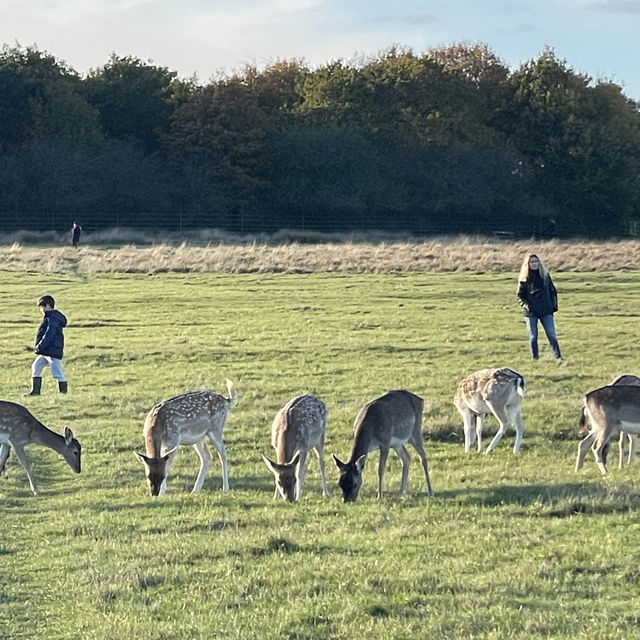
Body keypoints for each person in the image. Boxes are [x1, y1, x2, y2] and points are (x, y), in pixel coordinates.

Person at [517, 253, 563, 360]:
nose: (534, 264)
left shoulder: (545, 276)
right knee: (533, 337)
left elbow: (553, 291)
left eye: (536, 261)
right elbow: (519, 296)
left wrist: (553, 306)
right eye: (532, 262)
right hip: (531, 312)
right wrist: (526, 306)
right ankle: (535, 358)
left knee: (551, 335)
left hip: (546, 310)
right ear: (527, 264)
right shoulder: (524, 279)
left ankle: (558, 357)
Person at [26, 295, 68, 395]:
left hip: (52, 351)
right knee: (36, 366)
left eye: (42, 307)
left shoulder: (52, 318)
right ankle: (35, 392)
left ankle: (63, 393)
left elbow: (49, 334)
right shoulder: (52, 317)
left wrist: (40, 347)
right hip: (47, 351)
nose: (41, 309)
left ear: (48, 306)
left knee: (57, 373)